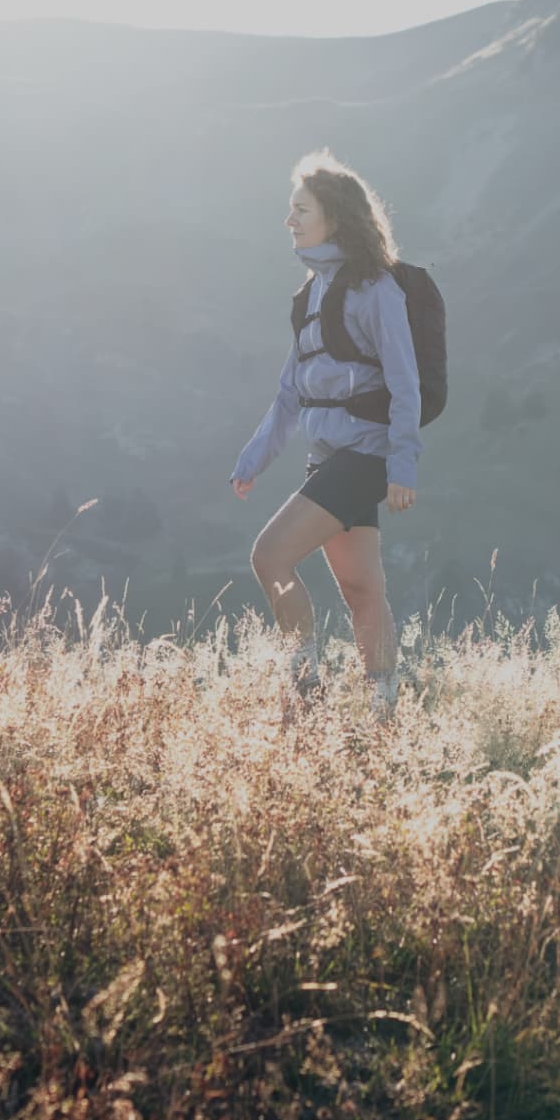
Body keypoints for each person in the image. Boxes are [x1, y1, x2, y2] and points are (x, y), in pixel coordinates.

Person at [231, 150, 421, 714]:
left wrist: (403, 467)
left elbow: (405, 383)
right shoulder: (309, 295)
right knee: (363, 590)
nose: (289, 220)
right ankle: (386, 713)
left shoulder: (375, 288)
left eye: (300, 209)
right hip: (329, 458)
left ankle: (307, 695)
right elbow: (290, 392)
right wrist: (253, 460)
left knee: (269, 557)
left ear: (333, 217)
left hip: (365, 457)